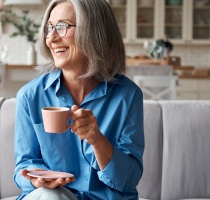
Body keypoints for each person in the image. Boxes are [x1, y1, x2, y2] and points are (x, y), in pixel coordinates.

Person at [14, 0, 144, 199]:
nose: (51, 38)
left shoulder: (127, 95)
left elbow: (128, 179)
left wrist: (97, 140)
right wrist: (35, 179)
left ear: (94, 32)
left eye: (62, 26)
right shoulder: (30, 96)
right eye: (49, 28)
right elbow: (23, 167)